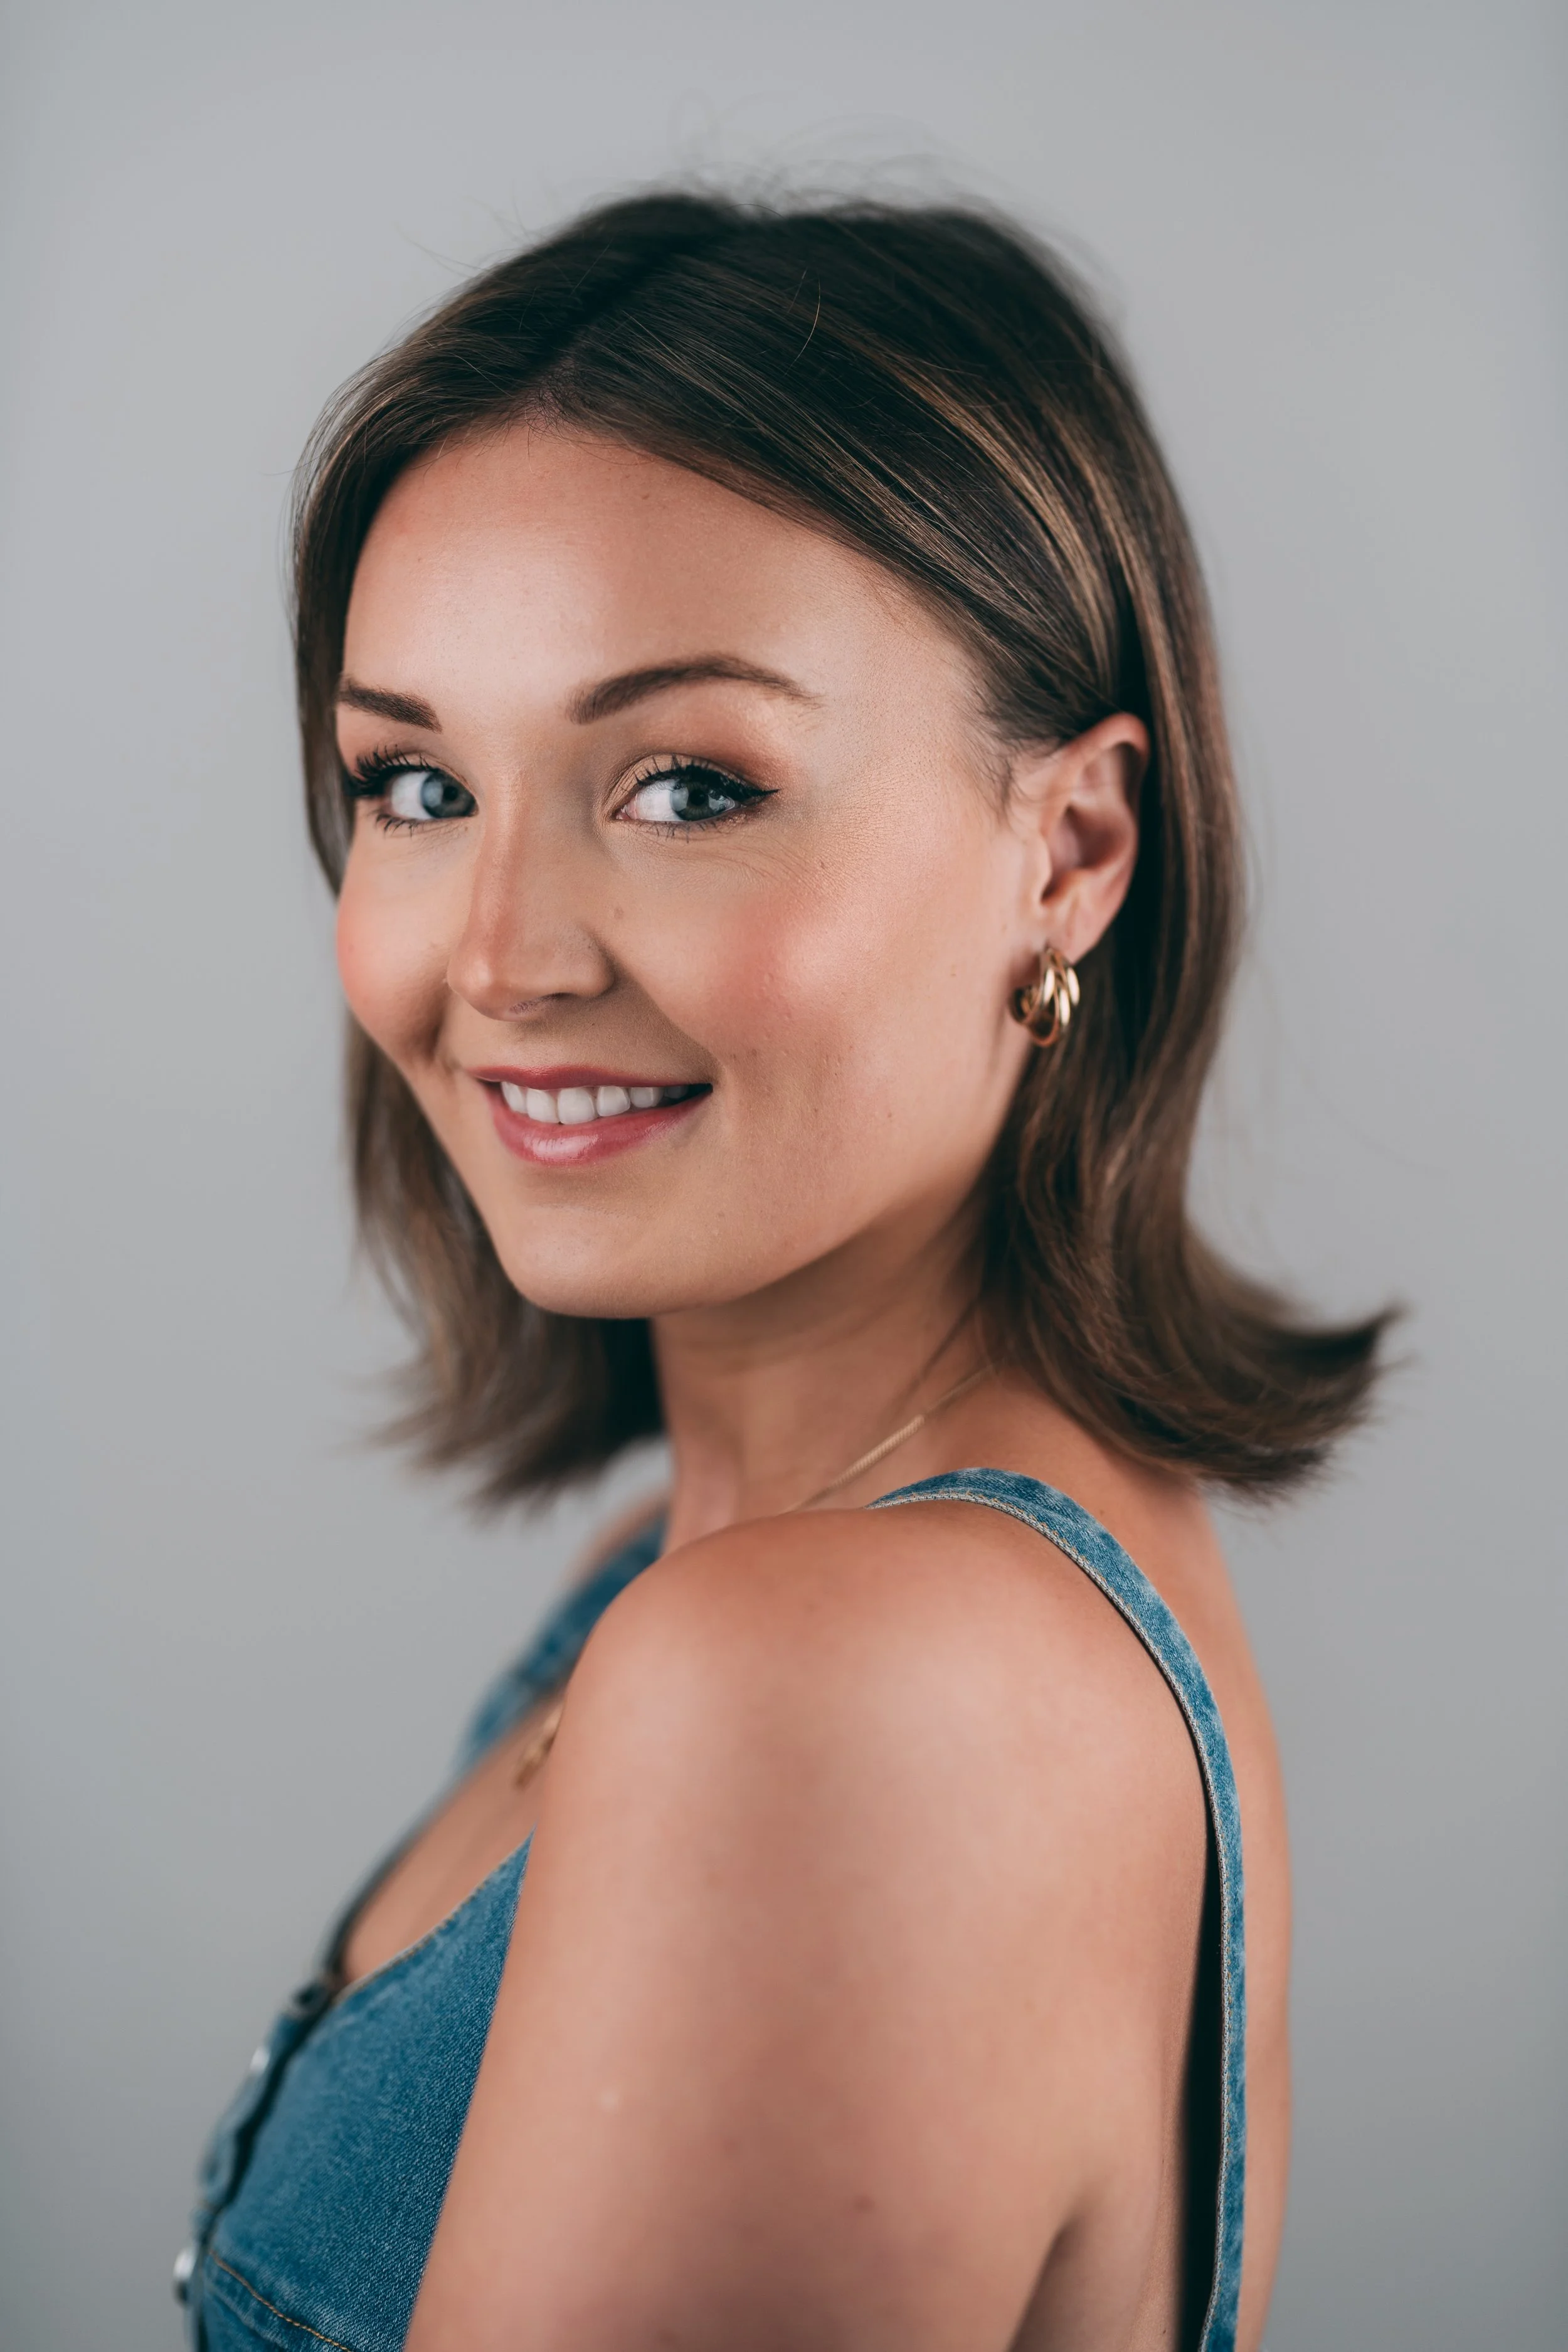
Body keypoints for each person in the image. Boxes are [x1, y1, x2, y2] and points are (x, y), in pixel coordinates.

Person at [177, 191, 1384, 2352]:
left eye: (687, 784)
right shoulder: (732, 1566)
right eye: (418, 780)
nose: (500, 959)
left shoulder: (839, 1691)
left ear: (1069, 851)